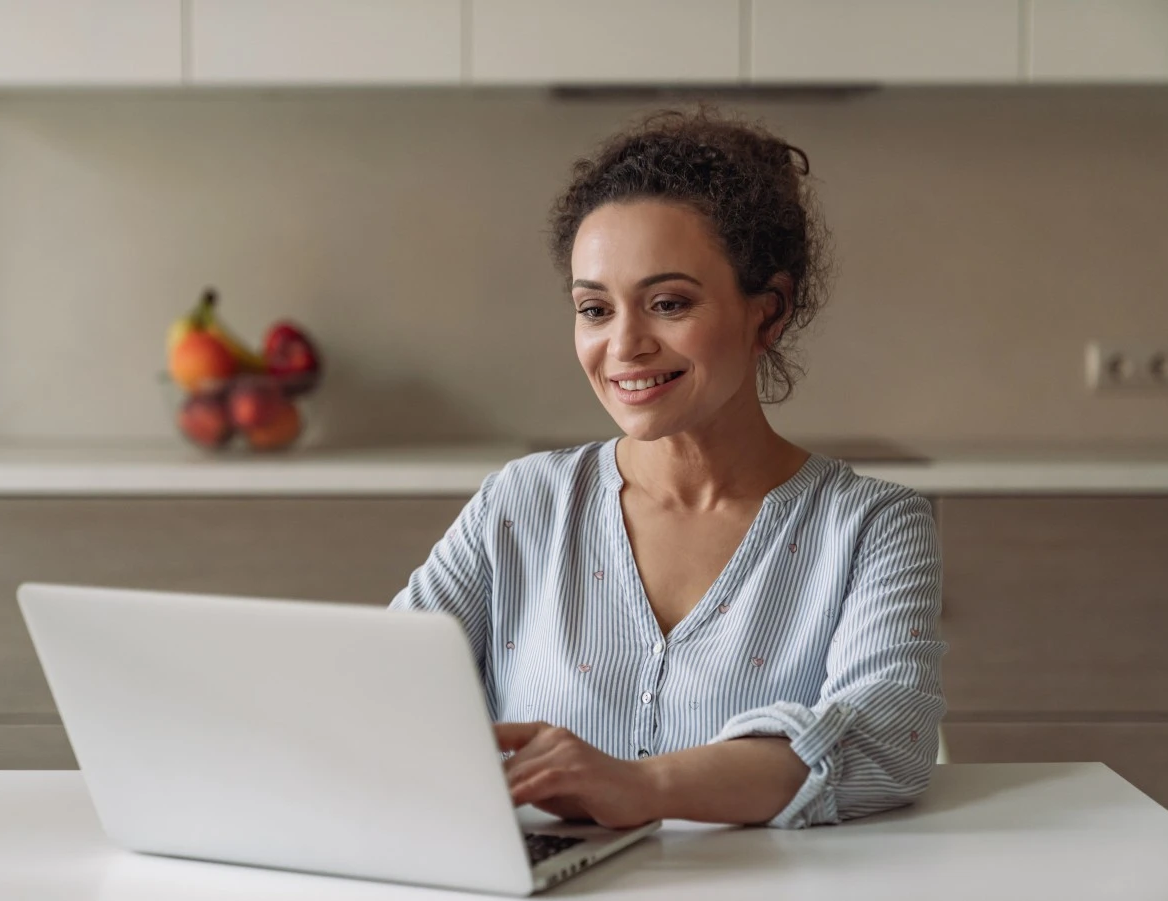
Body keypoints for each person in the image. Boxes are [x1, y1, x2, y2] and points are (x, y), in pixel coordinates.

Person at [390, 109, 945, 831]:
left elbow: (884, 743)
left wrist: (643, 784)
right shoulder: (520, 503)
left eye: (668, 303)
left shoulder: (872, 525)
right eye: (594, 308)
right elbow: (387, 693)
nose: (623, 345)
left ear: (767, 313)